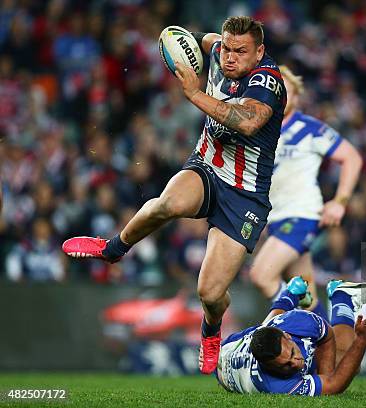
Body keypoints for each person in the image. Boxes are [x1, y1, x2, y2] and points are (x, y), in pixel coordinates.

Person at [62, 16, 287, 374]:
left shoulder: (268, 82)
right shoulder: (217, 49)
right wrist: (173, 46)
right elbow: (183, 39)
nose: (229, 57)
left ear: (259, 52)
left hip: (245, 194)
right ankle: (112, 249)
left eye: (240, 52)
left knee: (210, 294)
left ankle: (211, 330)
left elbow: (247, 121)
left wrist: (194, 93)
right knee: (170, 202)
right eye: (226, 48)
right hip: (208, 167)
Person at [250, 65, 363, 319]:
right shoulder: (260, 130)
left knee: (261, 275)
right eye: (276, 91)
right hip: (276, 220)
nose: (280, 96)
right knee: (306, 297)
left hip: (301, 214)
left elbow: (352, 158)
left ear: (297, 96)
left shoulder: (310, 128)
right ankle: (327, 346)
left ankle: (296, 327)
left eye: (287, 91)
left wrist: (340, 201)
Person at [216, 276, 366, 395]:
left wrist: (326, 374)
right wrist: (362, 339)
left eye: (291, 353)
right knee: (350, 366)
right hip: (226, 367)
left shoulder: (302, 321)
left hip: (231, 346)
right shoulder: (276, 386)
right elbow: (334, 385)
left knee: (267, 328)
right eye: (285, 366)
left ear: (287, 336)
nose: (296, 363)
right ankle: (303, 293)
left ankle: (334, 297)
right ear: (269, 367)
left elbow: (326, 335)